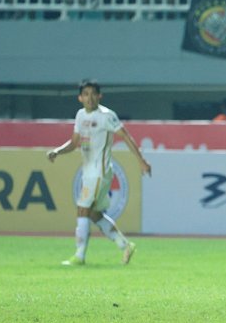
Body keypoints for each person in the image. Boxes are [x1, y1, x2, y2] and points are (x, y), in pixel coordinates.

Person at [46, 80, 150, 266]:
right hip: (89, 172)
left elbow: (126, 136)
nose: (90, 97)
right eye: (86, 94)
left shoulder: (106, 116)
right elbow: (74, 142)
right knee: (93, 214)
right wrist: (57, 151)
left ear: (100, 96)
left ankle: (79, 256)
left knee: (82, 209)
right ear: (80, 98)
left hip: (99, 172)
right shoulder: (79, 115)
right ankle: (125, 245)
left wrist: (141, 161)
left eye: (93, 93)